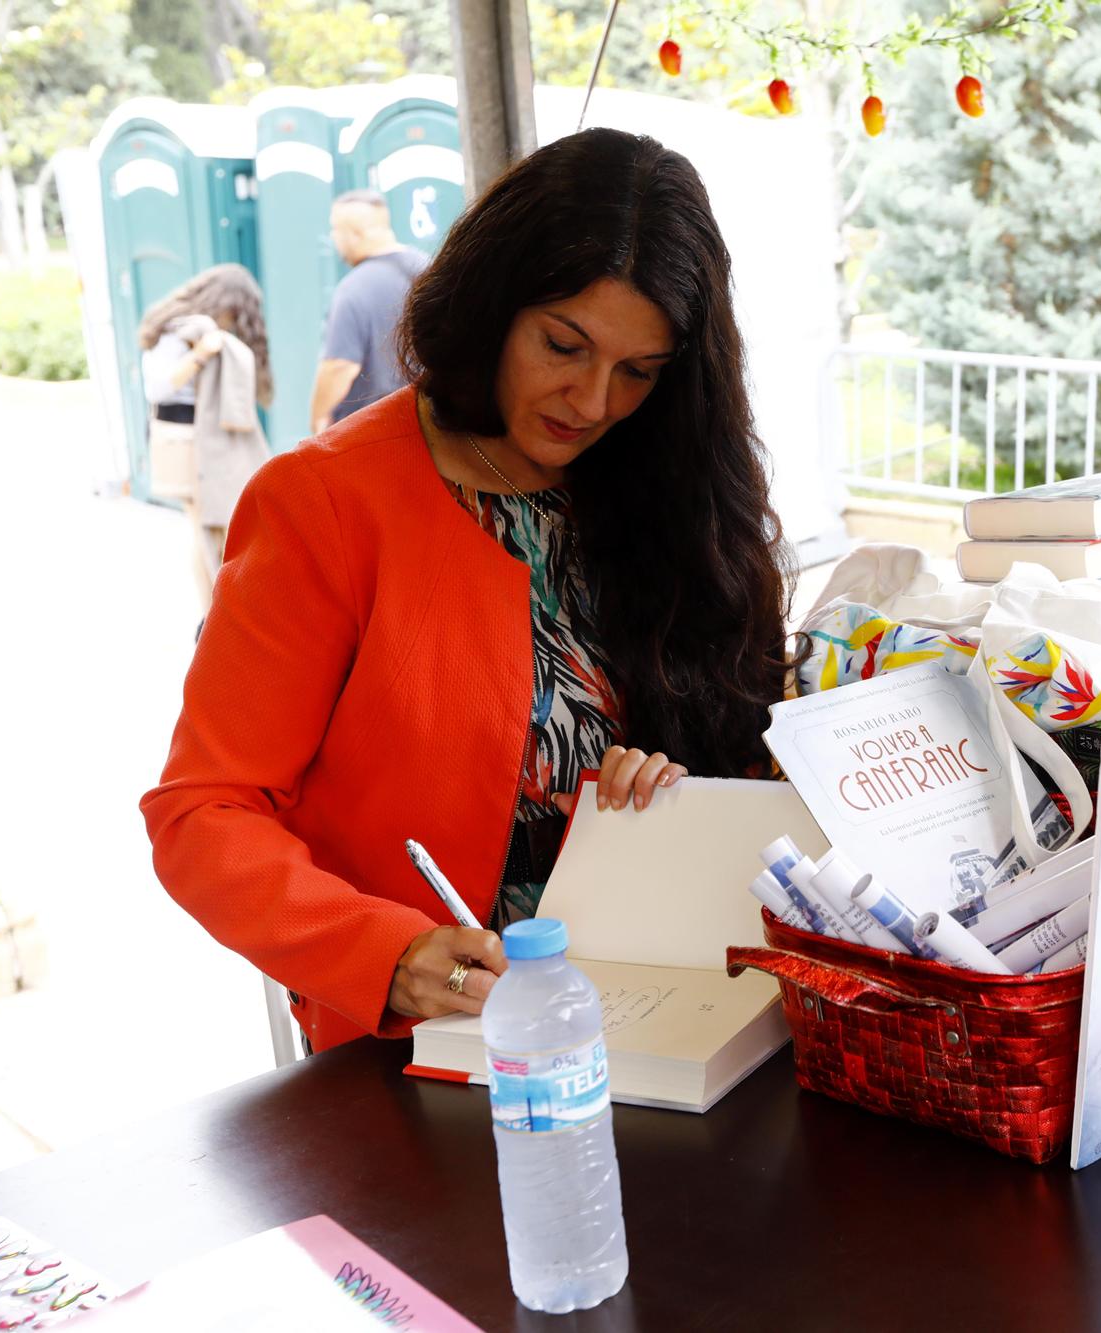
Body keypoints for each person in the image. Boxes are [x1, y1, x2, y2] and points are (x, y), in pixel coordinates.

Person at [141, 130, 796, 1053]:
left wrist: (671, 797)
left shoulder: (668, 485)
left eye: (639, 372)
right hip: (430, 1045)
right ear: (493, 303)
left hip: (672, 1021)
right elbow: (201, 812)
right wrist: (387, 951)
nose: (594, 401)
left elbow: (741, 746)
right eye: (563, 345)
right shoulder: (326, 503)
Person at [139, 264, 273, 608]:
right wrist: (201, 354)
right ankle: (212, 612)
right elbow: (158, 388)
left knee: (210, 526)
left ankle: (215, 608)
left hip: (199, 437)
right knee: (204, 527)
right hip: (181, 439)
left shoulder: (198, 330)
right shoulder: (178, 332)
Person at [309, 190, 431, 434]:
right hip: (430, 425)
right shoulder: (431, 268)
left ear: (355, 234)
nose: (333, 238)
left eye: (335, 230)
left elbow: (339, 367)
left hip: (372, 433)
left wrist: (318, 418)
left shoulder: (353, 288)